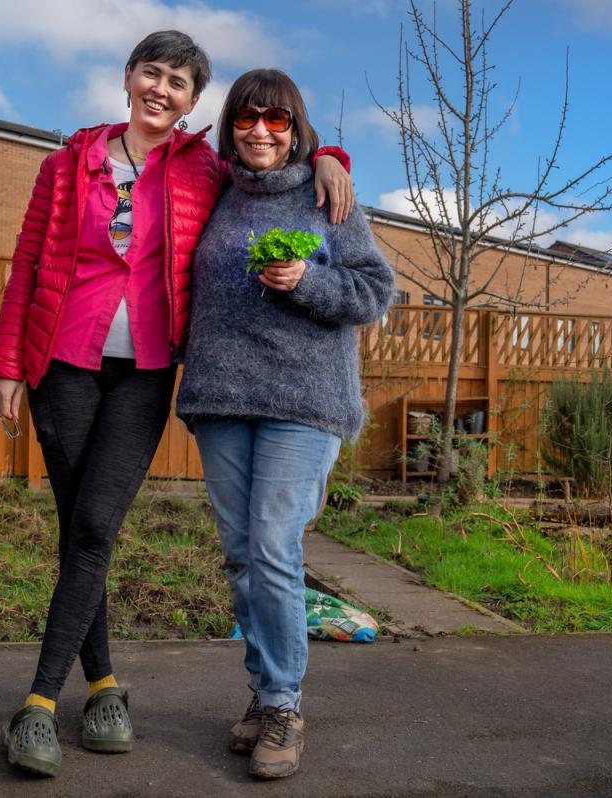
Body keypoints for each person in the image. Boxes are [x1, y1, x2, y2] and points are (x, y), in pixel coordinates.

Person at [0, 32, 353, 778]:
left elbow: (269, 162)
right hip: (64, 363)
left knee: (95, 524)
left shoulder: (200, 170)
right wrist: (5, 362)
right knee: (79, 532)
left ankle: (38, 705)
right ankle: (106, 689)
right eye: (151, 72)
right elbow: (27, 262)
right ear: (127, 78)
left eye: (179, 82)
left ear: (191, 102)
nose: (162, 88)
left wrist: (329, 158)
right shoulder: (66, 165)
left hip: (148, 371)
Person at [176, 68, 395, 780]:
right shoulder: (215, 189)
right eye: (249, 118)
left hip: (304, 401)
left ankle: (283, 704)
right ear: (230, 125)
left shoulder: (327, 195)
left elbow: (373, 292)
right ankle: (266, 689)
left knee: (273, 543)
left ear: (297, 130)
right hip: (221, 399)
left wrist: (308, 282)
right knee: (241, 552)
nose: (261, 132)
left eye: (277, 121)